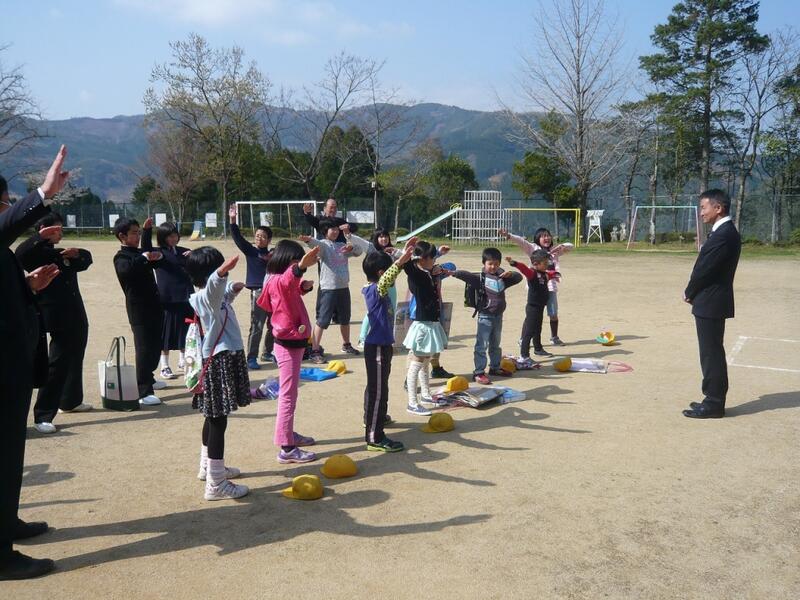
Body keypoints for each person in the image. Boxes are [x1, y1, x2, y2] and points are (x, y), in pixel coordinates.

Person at [0, 145, 68, 581]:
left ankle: (6, 523)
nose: (8, 210)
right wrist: (42, 193)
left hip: (12, 363)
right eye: (5, 204)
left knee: (10, 453)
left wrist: (26, 284)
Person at [15, 213, 93, 434]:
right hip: (56, 316)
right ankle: (43, 415)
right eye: (55, 229)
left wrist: (78, 253)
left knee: (75, 357)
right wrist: (39, 238)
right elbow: (21, 254)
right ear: (43, 229)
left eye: (61, 229)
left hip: (76, 313)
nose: (60, 233)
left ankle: (71, 400)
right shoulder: (36, 254)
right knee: (57, 364)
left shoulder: (61, 253)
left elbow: (86, 260)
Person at [186, 248, 251, 500]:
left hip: (220, 357)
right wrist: (222, 272)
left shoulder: (209, 296)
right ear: (210, 273)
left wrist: (232, 288)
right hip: (218, 359)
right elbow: (214, 289)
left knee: (212, 416)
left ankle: (208, 467)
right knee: (218, 420)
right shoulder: (204, 296)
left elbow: (221, 298)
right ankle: (216, 484)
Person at [256, 241, 320, 463]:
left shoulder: (279, 280)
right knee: (288, 396)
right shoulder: (279, 279)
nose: (298, 264)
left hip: (292, 342)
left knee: (289, 394)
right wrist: (300, 267)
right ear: (286, 261)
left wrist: (304, 287)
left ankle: (288, 434)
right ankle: (287, 448)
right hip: (287, 344)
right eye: (295, 261)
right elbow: (287, 281)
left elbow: (290, 287)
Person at [681, 189, 741, 419]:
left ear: (718, 208)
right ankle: (712, 398)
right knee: (711, 351)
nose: (701, 213)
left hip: (711, 301)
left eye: (704, 208)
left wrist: (690, 291)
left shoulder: (724, 234)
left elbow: (705, 269)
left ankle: (714, 403)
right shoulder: (723, 232)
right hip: (711, 300)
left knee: (711, 353)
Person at [361, 237, 417, 452]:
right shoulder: (375, 290)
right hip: (376, 346)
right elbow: (386, 280)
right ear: (381, 273)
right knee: (377, 390)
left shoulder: (377, 287)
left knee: (378, 386)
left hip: (383, 345)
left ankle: (375, 418)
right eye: (390, 271)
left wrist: (403, 258)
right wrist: (400, 261)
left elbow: (388, 277)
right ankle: (374, 437)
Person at [112, 218, 165, 406]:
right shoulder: (121, 257)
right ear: (122, 236)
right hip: (138, 309)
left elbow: (150, 256)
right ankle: (143, 390)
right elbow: (127, 271)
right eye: (134, 233)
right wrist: (145, 257)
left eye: (138, 232)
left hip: (154, 305)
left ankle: (148, 377)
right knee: (144, 348)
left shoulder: (138, 254)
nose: (137, 236)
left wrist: (148, 234)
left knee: (156, 344)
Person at [451, 247, 522, 384]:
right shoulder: (480, 279)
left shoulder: (502, 278)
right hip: (485, 317)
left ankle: (495, 367)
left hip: (498, 316)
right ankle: (478, 372)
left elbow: (519, 277)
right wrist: (454, 273)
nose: (493, 267)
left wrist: (510, 274)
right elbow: (467, 276)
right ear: (484, 263)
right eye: (490, 264)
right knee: (481, 345)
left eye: (496, 264)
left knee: (495, 344)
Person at [299, 220, 363, 363]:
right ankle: (315, 350)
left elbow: (359, 251)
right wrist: (309, 240)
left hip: (343, 288)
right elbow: (317, 244)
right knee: (322, 320)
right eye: (331, 229)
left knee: (345, 319)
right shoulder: (324, 245)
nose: (335, 231)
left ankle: (346, 345)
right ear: (325, 231)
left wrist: (351, 246)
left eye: (336, 229)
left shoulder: (341, 246)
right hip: (328, 289)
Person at [500, 227, 573, 346]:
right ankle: (523, 339)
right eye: (543, 236)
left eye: (548, 235)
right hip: (536, 288)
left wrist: (562, 246)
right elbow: (521, 242)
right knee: (532, 315)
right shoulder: (533, 248)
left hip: (550, 288)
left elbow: (570, 246)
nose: (547, 238)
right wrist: (508, 236)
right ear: (537, 239)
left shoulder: (554, 251)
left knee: (553, 314)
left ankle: (554, 337)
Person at [141, 219, 194, 380]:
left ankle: (183, 360)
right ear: (162, 238)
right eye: (169, 236)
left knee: (187, 331)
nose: (173, 238)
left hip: (186, 297)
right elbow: (146, 249)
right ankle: (164, 366)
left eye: (175, 235)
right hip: (168, 300)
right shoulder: (159, 253)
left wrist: (195, 256)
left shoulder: (185, 252)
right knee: (166, 333)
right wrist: (146, 231)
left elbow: (200, 265)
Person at [402, 240, 450, 416]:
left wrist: (437, 269)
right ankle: (412, 403)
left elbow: (441, 267)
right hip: (423, 325)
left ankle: (425, 394)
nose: (434, 260)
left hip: (431, 323)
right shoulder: (416, 273)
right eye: (432, 257)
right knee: (416, 363)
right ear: (422, 259)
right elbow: (408, 265)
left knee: (426, 360)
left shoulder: (427, 271)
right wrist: (406, 251)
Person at [228, 205, 274, 370]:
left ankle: (267, 352)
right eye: (257, 235)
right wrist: (233, 220)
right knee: (257, 325)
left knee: (274, 324)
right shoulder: (251, 251)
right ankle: (251, 357)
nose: (259, 238)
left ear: (269, 240)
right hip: (258, 293)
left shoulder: (274, 254)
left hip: (273, 293)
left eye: (263, 236)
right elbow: (238, 238)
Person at [507, 250, 560, 365]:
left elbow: (550, 274)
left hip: (540, 307)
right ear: (536, 264)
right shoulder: (532, 273)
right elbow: (523, 268)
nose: (547, 265)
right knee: (529, 332)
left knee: (538, 329)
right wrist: (514, 263)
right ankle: (524, 356)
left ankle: (538, 349)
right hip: (533, 308)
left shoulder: (544, 274)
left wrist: (555, 274)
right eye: (545, 263)